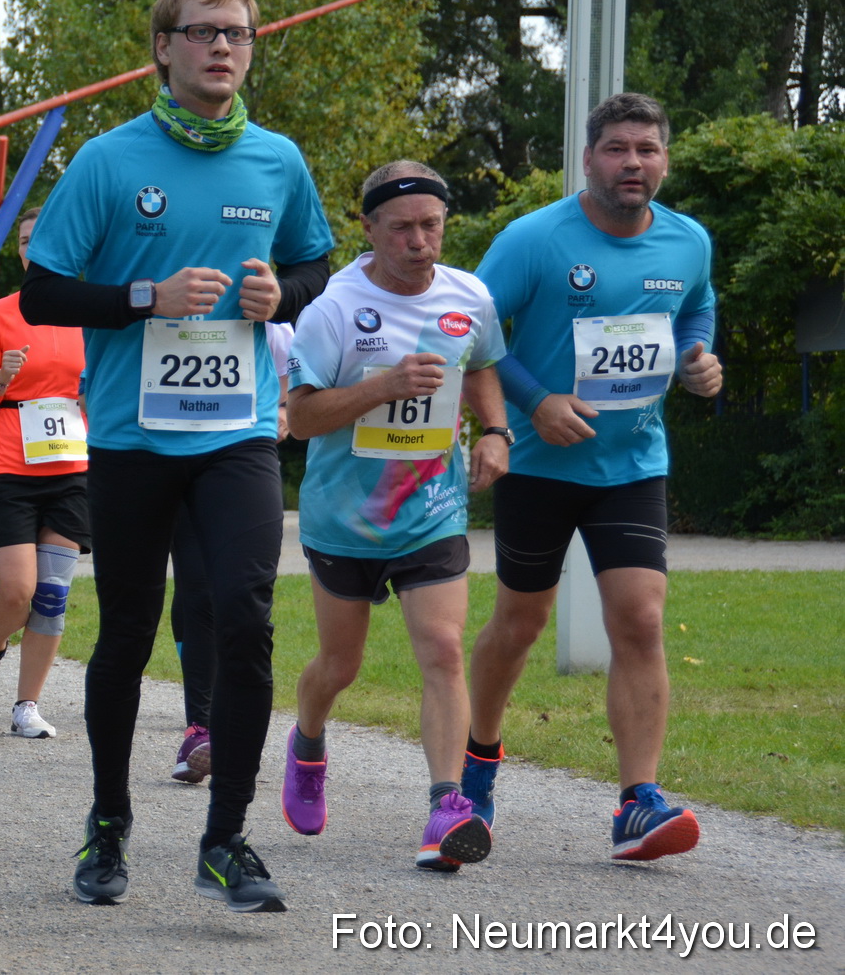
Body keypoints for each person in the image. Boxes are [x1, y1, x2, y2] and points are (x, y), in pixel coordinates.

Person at [20, 0, 334, 912]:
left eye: (236, 33)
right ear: (164, 48)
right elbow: (40, 292)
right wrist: (141, 299)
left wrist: (286, 294)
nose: (222, 48)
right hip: (131, 436)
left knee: (244, 620)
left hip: (237, 433)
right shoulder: (110, 161)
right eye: (202, 32)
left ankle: (227, 835)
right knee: (124, 630)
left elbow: (315, 264)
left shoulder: (278, 160)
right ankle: (108, 821)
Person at [466, 92, 721, 863]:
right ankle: (476, 763)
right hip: (543, 465)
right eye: (617, 149)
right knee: (520, 624)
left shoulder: (688, 242)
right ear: (589, 158)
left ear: (665, 159)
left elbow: (697, 309)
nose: (633, 163)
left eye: (647, 149)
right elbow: (470, 327)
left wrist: (700, 357)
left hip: (633, 462)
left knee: (640, 620)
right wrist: (533, 403)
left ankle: (637, 802)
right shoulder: (534, 239)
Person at [281, 162, 509, 871]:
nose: (419, 241)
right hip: (344, 517)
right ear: (369, 229)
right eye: (403, 226)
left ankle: (448, 805)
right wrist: (384, 384)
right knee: (339, 665)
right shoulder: (332, 308)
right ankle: (308, 739)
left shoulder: (469, 295)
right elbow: (301, 418)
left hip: (431, 508)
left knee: (442, 648)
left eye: (431, 225)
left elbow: (480, 365)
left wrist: (496, 430)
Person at [0, 207, 89, 739]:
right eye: (28, 239)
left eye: (46, 237)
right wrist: (1, 380)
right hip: (11, 467)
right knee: (16, 592)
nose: (36, 246)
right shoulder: (0, 315)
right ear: (20, 250)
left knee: (52, 594)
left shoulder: (87, 314)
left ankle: (26, 706)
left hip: (71, 467)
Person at [168, 321, 293, 786]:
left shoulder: (270, 320)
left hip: (241, 461)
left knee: (242, 600)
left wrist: (282, 409)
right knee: (195, 593)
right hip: (170, 456)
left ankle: (233, 731)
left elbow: (291, 383)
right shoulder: (170, 299)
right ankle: (199, 728)